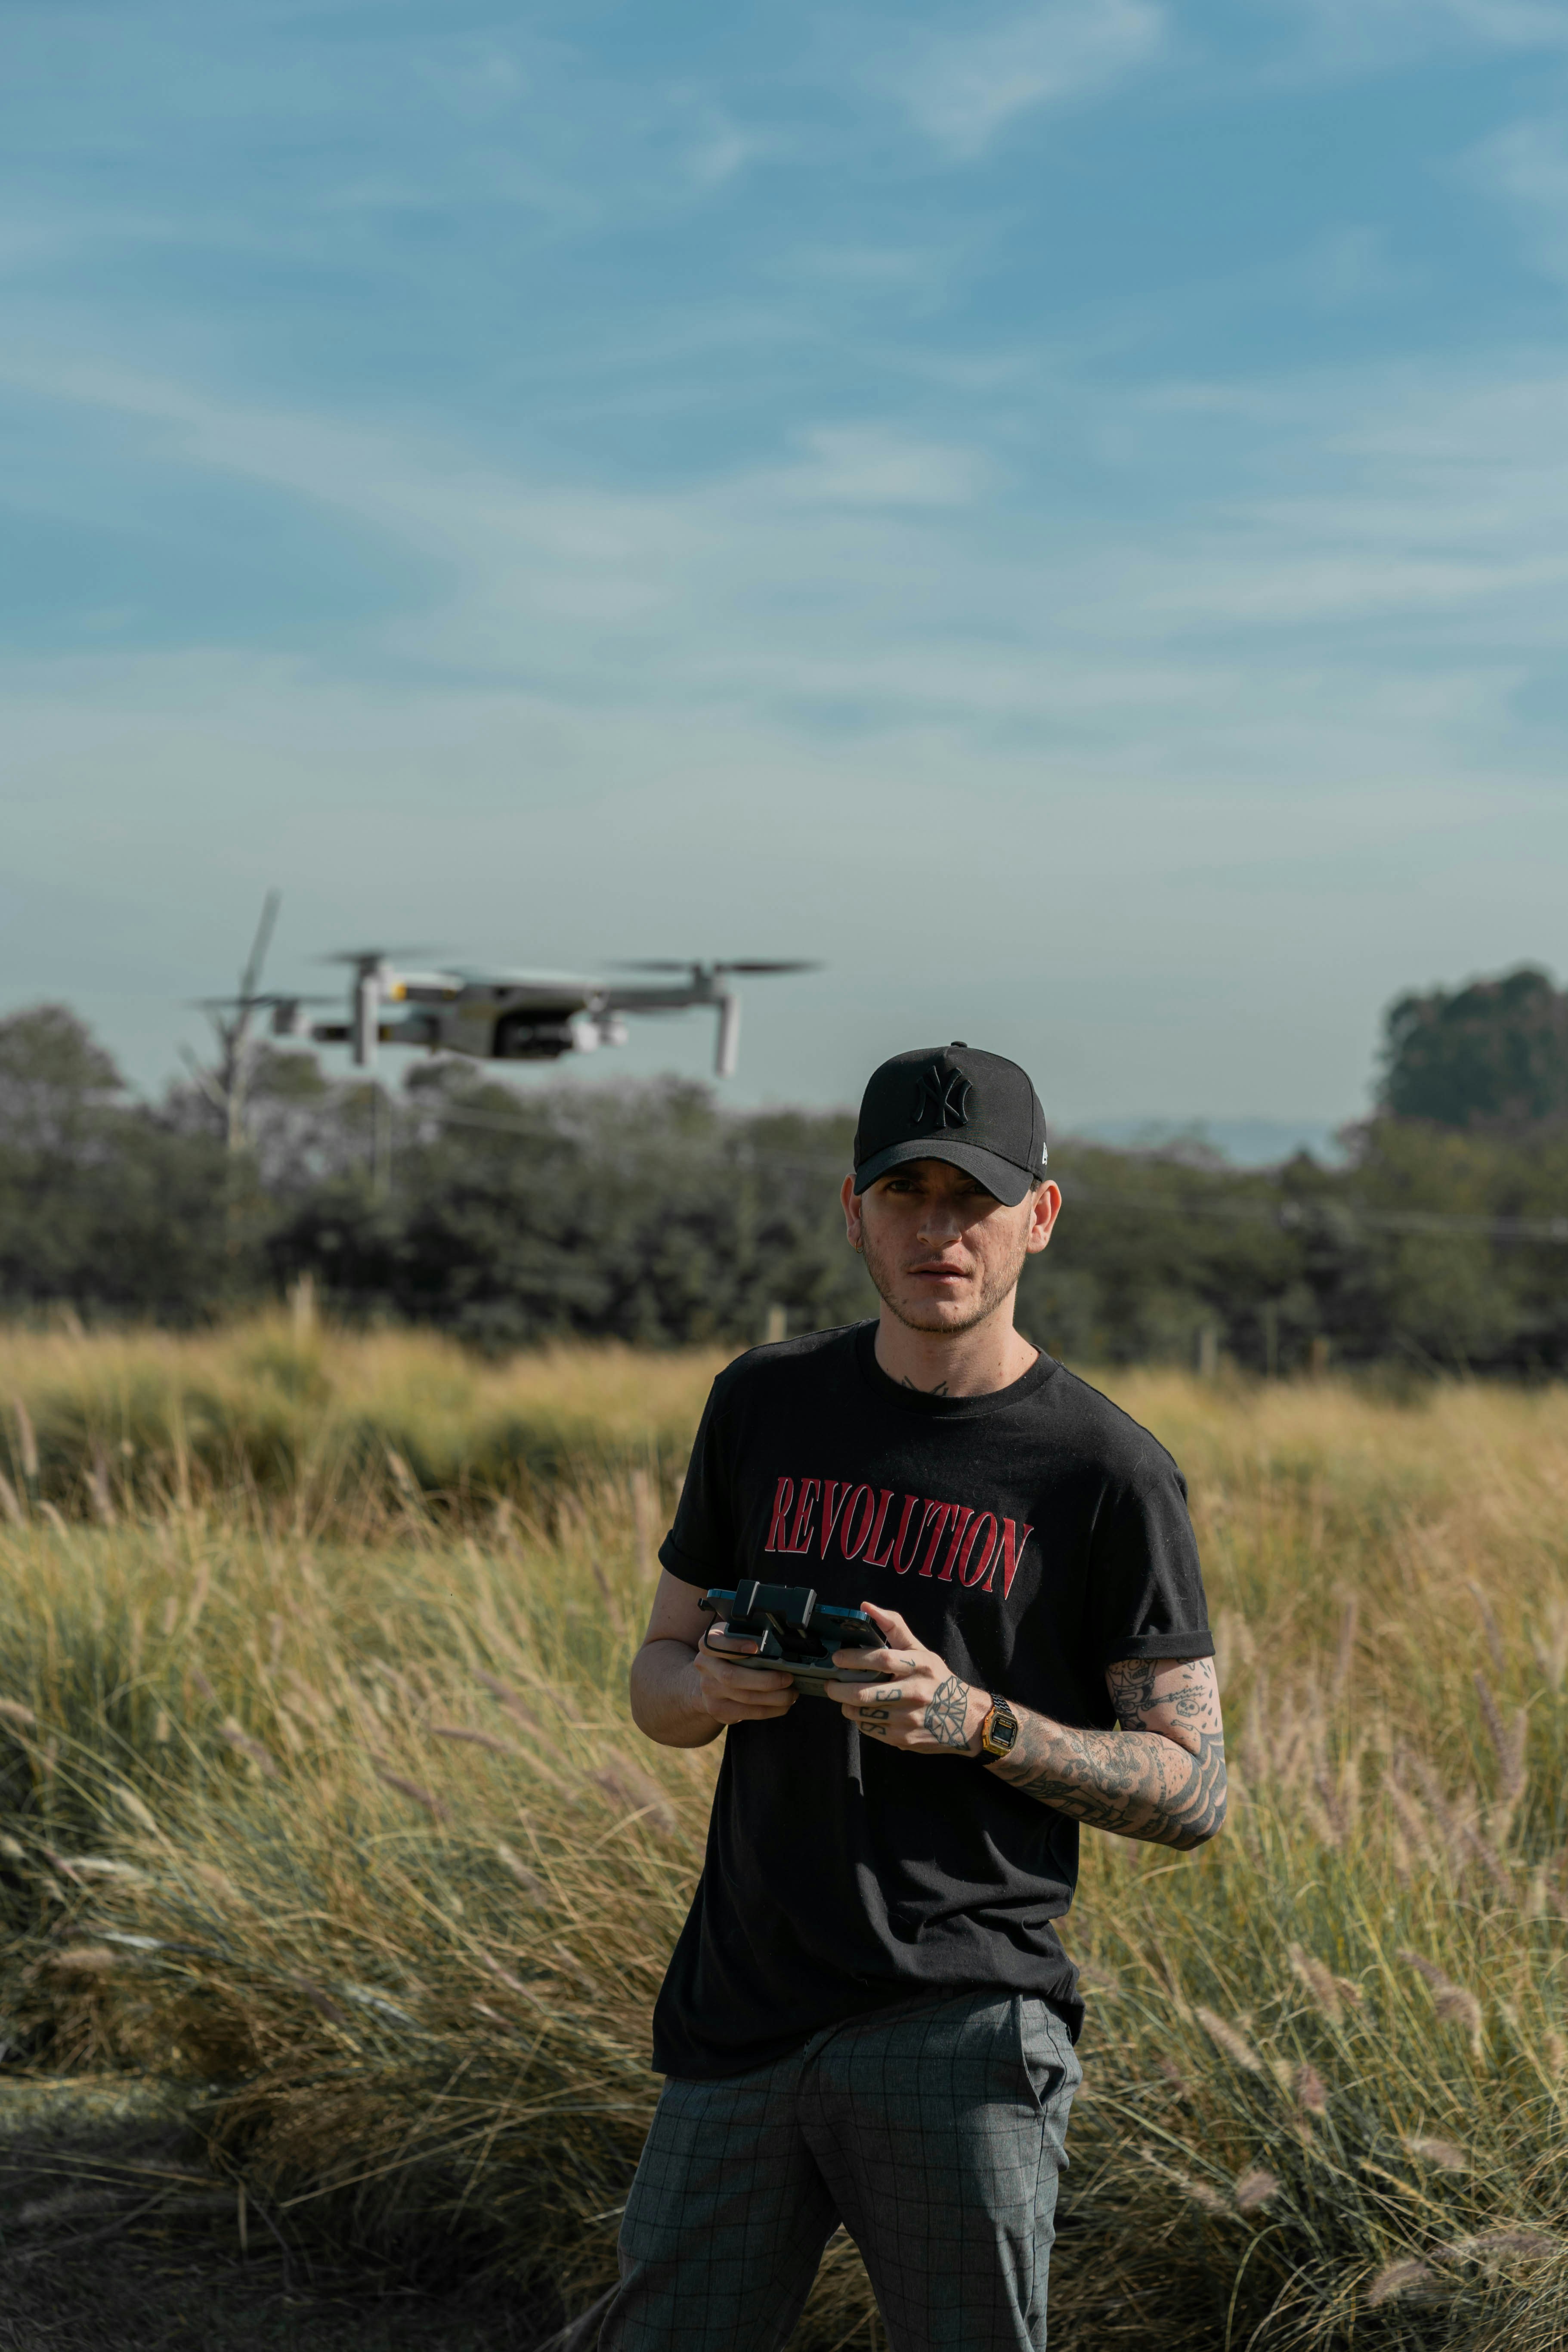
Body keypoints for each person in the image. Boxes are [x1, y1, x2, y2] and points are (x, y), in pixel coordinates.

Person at [603, 1043, 1225, 2352]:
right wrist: (709, 1685)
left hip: (961, 2024)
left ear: (1038, 1219)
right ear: (853, 1210)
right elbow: (655, 1679)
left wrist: (979, 1724)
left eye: (974, 1200)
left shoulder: (1105, 1472)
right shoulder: (762, 1403)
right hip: (742, 2007)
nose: (937, 1230)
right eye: (906, 1195)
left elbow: (1194, 1787)